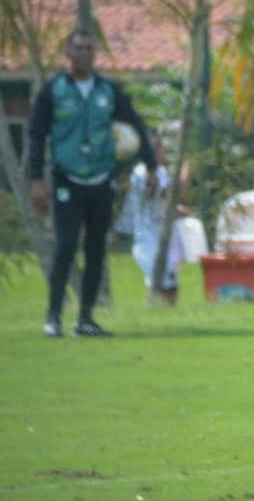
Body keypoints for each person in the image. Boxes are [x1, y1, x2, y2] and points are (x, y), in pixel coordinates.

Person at [28, 27, 159, 337]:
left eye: (90, 49)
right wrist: (36, 179)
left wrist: (151, 166)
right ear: (68, 53)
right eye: (79, 48)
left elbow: (135, 125)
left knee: (96, 249)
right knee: (66, 246)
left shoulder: (108, 91)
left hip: (101, 180)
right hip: (66, 180)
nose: (85, 54)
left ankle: (85, 318)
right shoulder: (53, 90)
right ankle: (53, 316)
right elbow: (36, 135)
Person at [120, 136, 186, 304]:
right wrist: (184, 171)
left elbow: (163, 203)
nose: (160, 151)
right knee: (159, 284)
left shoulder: (160, 171)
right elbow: (160, 193)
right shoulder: (142, 172)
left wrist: (176, 210)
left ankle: (167, 317)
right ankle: (153, 311)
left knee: (171, 285)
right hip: (148, 239)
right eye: (155, 148)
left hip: (165, 236)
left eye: (160, 147)